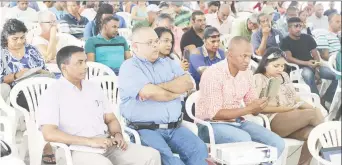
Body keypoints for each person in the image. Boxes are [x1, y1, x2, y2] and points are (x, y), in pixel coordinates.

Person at [37, 46, 161, 165]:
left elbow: (110, 119)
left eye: (85, 61)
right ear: (64, 67)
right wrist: (90, 141)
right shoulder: (53, 92)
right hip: (75, 149)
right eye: (79, 63)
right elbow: (49, 133)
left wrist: (117, 134)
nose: (85, 66)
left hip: (106, 143)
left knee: (151, 156)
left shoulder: (93, 88)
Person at [118, 26, 208, 165]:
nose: (155, 45)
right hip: (145, 129)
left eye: (156, 41)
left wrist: (157, 86)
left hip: (175, 127)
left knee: (199, 149)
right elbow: (149, 92)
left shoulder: (169, 63)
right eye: (149, 43)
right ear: (135, 46)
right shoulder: (129, 67)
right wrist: (175, 91)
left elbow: (188, 83)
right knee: (172, 162)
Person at [196, 36, 285, 159]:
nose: (247, 60)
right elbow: (215, 114)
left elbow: (252, 105)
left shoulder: (246, 73)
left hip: (237, 122)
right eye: (243, 56)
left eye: (249, 56)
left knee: (277, 143)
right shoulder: (213, 74)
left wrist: (261, 103)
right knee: (244, 140)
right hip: (210, 125)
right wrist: (249, 109)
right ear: (229, 54)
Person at [253, 47, 324, 165]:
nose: (280, 69)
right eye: (276, 66)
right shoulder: (259, 78)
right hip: (274, 120)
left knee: (314, 134)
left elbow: (295, 98)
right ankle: (333, 147)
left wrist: (312, 108)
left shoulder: (284, 76)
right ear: (265, 63)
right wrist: (285, 109)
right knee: (315, 115)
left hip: (293, 117)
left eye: (282, 66)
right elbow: (257, 108)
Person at [0, 19, 56, 164]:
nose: (20, 42)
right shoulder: (2, 54)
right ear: (6, 38)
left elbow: (44, 67)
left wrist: (41, 72)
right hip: (16, 94)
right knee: (38, 103)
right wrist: (16, 76)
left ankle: (45, 140)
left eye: (22, 37)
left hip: (37, 87)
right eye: (15, 39)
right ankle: (46, 144)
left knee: (49, 94)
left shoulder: (31, 49)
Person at [280, 17, 338, 103]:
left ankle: (327, 97)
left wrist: (317, 67)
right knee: (308, 75)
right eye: (296, 26)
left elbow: (315, 54)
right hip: (299, 68)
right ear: (289, 28)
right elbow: (289, 58)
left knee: (337, 75)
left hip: (313, 65)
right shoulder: (285, 41)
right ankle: (317, 100)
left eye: (300, 26)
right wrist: (307, 63)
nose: (299, 29)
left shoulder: (307, 38)